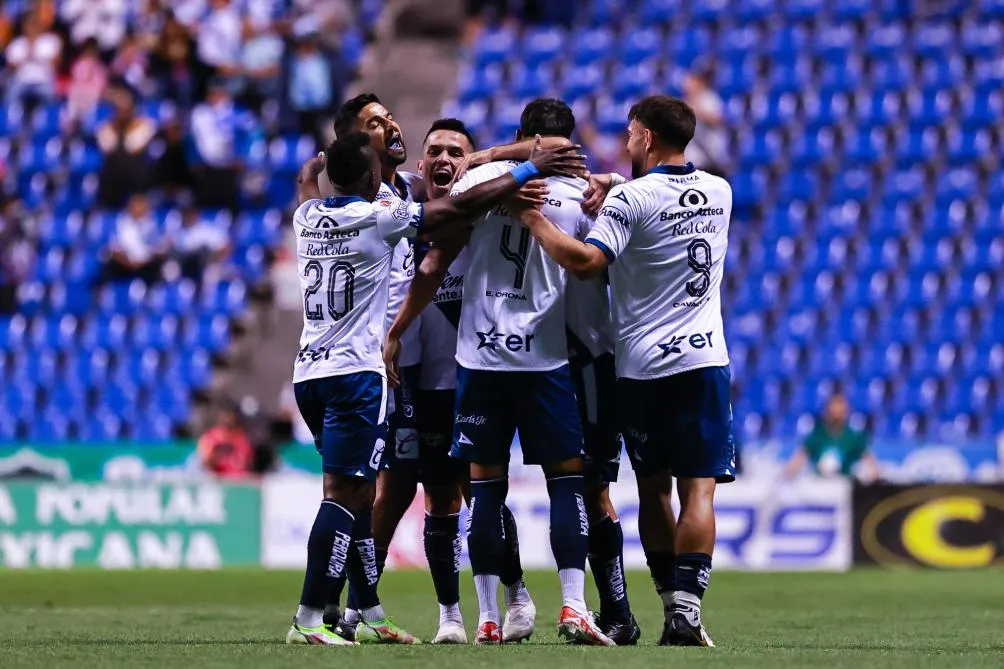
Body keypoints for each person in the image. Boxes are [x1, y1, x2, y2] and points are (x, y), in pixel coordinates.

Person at [284, 128, 584, 646]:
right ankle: (311, 617)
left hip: (310, 372)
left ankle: (371, 610)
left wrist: (318, 165)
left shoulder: (307, 216)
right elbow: (446, 216)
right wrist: (525, 170)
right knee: (352, 495)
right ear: (377, 176)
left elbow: (309, 180)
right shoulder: (381, 215)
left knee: (363, 496)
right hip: (360, 373)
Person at [513, 95, 735, 647]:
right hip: (704, 359)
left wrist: (534, 218)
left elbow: (589, 261)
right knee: (699, 490)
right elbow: (666, 200)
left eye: (632, 132)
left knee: (656, 491)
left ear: (648, 138)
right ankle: (686, 611)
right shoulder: (720, 191)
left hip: (640, 368)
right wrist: (619, 185)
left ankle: (667, 605)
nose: (626, 140)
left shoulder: (627, 201)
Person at [390, 98, 613, 646]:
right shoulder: (584, 198)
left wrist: (396, 328)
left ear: (519, 135)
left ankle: (488, 618)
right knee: (566, 482)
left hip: (480, 360)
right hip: (543, 359)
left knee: (485, 492)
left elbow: (436, 261)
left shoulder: (483, 181)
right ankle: (573, 607)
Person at [784, 393, 879, 480]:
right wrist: (787, 475)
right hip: (819, 482)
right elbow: (800, 458)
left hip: (843, 482)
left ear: (846, 413)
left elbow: (869, 461)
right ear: (827, 412)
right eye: (833, 413)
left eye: (840, 413)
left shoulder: (854, 437)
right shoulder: (817, 435)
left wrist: (876, 478)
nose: (836, 417)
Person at [95, 88, 157, 208]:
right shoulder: (106, 127)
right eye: (119, 110)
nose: (122, 113)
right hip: (114, 178)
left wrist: (128, 129)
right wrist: (117, 129)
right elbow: (107, 147)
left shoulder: (145, 125)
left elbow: (134, 147)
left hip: (136, 177)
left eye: (125, 110)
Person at [99, 192, 167, 285]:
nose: (141, 208)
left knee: (160, 268)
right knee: (107, 265)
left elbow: (158, 248)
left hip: (146, 263)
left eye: (143, 205)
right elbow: (114, 247)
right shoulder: (121, 221)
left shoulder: (152, 222)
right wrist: (127, 262)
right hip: (125, 263)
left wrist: (143, 261)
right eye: (137, 205)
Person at [4, 11, 61, 110]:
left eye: (34, 23)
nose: (31, 27)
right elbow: (10, 66)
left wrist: (37, 56)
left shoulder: (50, 41)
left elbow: (56, 63)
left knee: (52, 97)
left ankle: (51, 124)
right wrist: (26, 56)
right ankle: (12, 123)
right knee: (9, 97)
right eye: (29, 24)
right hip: (21, 81)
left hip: (43, 80)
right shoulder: (17, 43)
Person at [197, 402, 254, 478]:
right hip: (218, 483)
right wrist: (218, 454)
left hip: (239, 483)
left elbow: (249, 465)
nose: (227, 419)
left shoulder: (242, 438)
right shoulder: (210, 437)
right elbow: (204, 465)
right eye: (224, 416)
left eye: (229, 416)